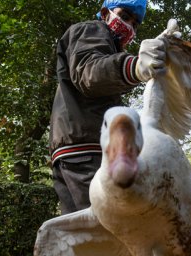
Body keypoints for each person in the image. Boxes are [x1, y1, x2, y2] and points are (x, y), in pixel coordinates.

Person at [49, 0, 167, 214]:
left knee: (83, 235)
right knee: (108, 229)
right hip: (85, 149)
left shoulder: (109, 48)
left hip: (74, 150)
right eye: (124, 15)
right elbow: (89, 73)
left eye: (134, 23)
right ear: (105, 13)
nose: (129, 25)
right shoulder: (91, 29)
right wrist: (135, 67)